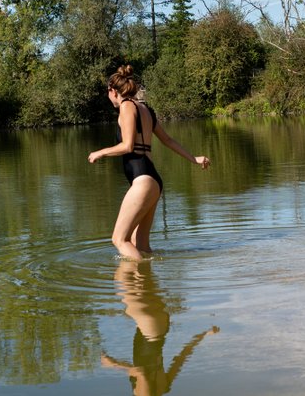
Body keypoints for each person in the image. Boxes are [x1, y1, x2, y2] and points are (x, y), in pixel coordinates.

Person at [89, 65, 210, 260]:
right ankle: (146, 287)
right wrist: (193, 158)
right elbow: (168, 140)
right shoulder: (146, 109)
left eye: (108, 93)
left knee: (119, 240)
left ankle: (140, 277)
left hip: (142, 180)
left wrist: (100, 152)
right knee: (141, 246)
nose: (108, 97)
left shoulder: (127, 106)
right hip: (153, 180)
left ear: (112, 91)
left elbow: (128, 146)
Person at [101, 260, 219, 396]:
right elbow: (141, 372)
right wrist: (112, 364)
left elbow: (183, 356)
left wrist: (204, 334)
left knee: (140, 274)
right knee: (122, 274)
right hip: (149, 327)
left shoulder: (165, 387)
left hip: (160, 326)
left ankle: (141, 253)